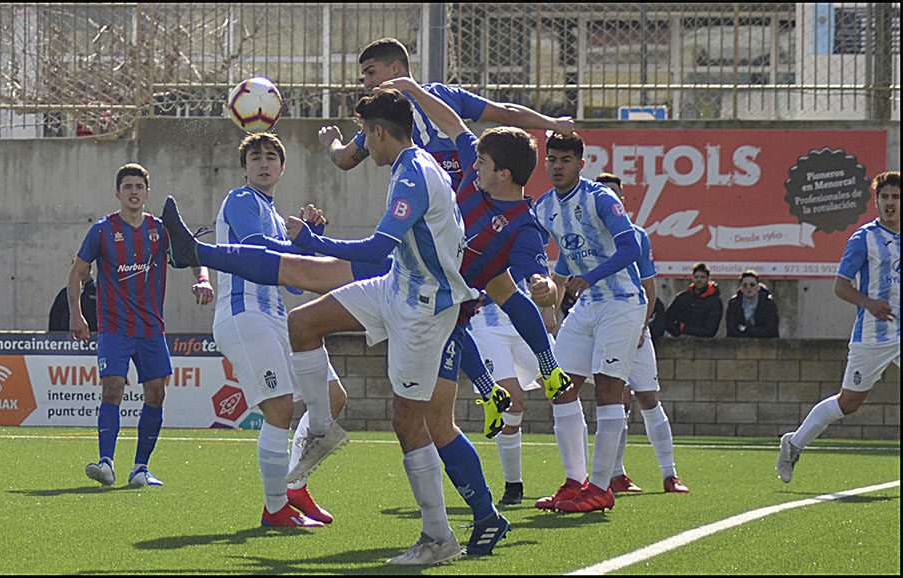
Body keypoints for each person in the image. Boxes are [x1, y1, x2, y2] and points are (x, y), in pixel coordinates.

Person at [164, 90, 476, 565]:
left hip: (421, 307)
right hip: (394, 287)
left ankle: (441, 536)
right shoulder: (409, 165)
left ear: (377, 132)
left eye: (365, 137)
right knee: (304, 324)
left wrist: (314, 240)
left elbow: (374, 250)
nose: (362, 147)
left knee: (412, 423)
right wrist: (310, 245)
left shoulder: (412, 172)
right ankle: (307, 458)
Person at [381, 76, 571, 552]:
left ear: (501, 173)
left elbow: (536, 276)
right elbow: (453, 123)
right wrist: (413, 90)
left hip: (448, 303)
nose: (472, 162)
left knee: (432, 420)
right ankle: (500, 398)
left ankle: (513, 385)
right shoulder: (474, 172)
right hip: (421, 286)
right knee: (315, 318)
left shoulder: (523, 226)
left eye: (483, 162)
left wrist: (548, 288)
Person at [210, 132, 348, 527]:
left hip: (274, 317)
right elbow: (257, 251)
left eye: (271, 157)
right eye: (256, 157)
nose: (264, 163)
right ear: (244, 168)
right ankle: (275, 509)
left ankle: (295, 484)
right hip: (243, 313)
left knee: (333, 397)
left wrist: (308, 240)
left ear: (282, 167)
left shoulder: (276, 215)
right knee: (280, 408)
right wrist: (302, 240)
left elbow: (291, 281)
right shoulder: (240, 200)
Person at [69, 163, 214, 488]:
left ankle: (140, 470)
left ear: (147, 194)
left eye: (139, 187)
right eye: (128, 187)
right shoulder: (102, 230)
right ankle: (106, 463)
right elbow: (77, 272)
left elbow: (194, 255)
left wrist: (203, 280)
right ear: (117, 193)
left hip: (151, 329)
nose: (133, 192)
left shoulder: (160, 230)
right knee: (113, 388)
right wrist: (76, 314)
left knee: (156, 394)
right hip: (114, 328)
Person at [531, 132, 645, 514]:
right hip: (587, 306)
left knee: (609, 391)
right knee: (560, 387)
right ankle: (574, 481)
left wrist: (590, 277)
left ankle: (600, 488)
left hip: (622, 301)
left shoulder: (601, 197)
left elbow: (630, 247)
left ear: (581, 164)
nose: (558, 166)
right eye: (552, 159)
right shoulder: (545, 207)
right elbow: (555, 256)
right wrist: (548, 284)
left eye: (566, 159)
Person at [318, 37, 575, 191]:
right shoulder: (444, 94)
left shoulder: (385, 112)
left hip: (426, 196)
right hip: (471, 189)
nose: (366, 83)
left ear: (395, 67)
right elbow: (505, 112)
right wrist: (552, 122)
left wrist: (331, 141)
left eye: (370, 72)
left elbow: (344, 159)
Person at [777, 171, 899, 483]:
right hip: (873, 335)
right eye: (884, 197)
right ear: (876, 201)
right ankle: (794, 444)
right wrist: (869, 303)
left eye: (896, 197)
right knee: (850, 402)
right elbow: (840, 286)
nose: (890, 203)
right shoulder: (864, 239)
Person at [595, 173, 689, 495]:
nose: (611, 201)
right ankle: (615, 475)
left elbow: (649, 286)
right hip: (603, 326)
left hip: (635, 327)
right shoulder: (586, 237)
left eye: (616, 196)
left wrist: (641, 325)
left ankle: (669, 474)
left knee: (648, 397)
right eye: (605, 195)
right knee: (616, 399)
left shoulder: (636, 235)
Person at [665, 262, 723, 338]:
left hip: (703, 344)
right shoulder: (682, 297)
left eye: (702, 277)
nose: (699, 280)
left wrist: (684, 328)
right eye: (696, 277)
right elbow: (667, 319)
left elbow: (710, 330)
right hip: (679, 341)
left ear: (708, 279)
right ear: (692, 278)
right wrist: (677, 332)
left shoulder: (715, 302)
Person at [726, 270, 779, 338]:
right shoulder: (734, 303)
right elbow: (731, 330)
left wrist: (746, 329)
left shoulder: (768, 303)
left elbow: (770, 330)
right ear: (741, 288)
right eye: (745, 285)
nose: (748, 287)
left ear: (758, 287)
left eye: (752, 284)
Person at [49, 260, 98, 332]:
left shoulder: (98, 291)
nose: (81, 272)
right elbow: (55, 317)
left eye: (83, 269)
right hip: (68, 339)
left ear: (90, 269)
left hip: (93, 337)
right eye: (76, 269)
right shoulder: (65, 293)